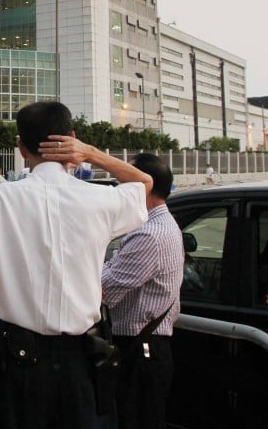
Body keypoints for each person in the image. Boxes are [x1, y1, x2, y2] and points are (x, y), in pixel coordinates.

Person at [0, 100, 151, 429]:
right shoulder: (100, 198)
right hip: (82, 366)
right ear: (71, 138)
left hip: (16, 364)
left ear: (21, 148)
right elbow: (145, 184)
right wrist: (92, 153)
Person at [101, 152, 183, 429]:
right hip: (147, 347)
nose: (118, 189)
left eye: (124, 181)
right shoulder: (160, 225)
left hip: (139, 351)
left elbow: (104, 289)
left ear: (144, 186)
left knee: (133, 419)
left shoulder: (149, 235)